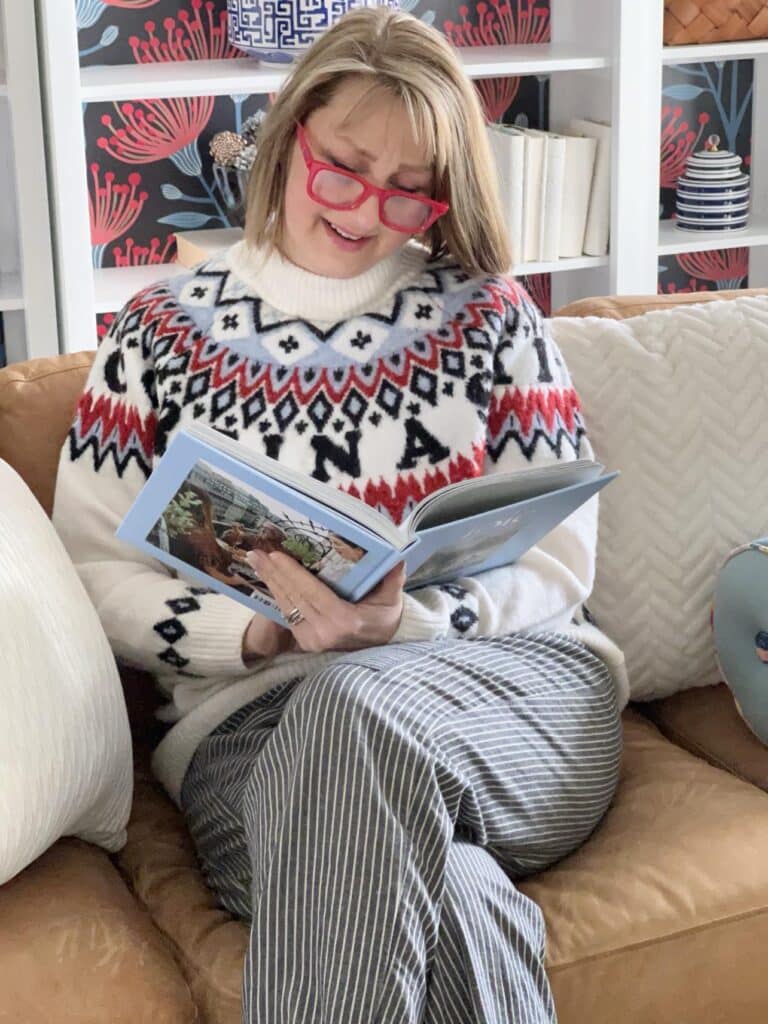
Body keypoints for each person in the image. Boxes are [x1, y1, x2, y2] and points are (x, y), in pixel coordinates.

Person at [52, 9, 628, 1022]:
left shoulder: (493, 318)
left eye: (411, 192)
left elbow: (559, 559)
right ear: (288, 133)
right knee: (455, 892)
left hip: (511, 698)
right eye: (345, 169)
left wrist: (403, 625)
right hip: (254, 732)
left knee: (356, 703)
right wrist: (261, 630)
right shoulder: (155, 334)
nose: (367, 213)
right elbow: (93, 577)